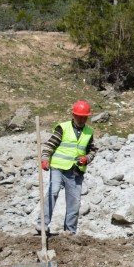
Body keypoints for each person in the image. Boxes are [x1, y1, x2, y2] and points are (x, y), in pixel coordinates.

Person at [39, 100, 96, 234]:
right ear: (73, 115)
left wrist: (86, 158)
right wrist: (45, 158)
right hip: (58, 167)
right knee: (53, 193)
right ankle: (42, 224)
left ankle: (69, 231)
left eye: (84, 117)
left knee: (74, 201)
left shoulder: (89, 132)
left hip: (76, 171)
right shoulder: (63, 128)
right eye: (79, 117)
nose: (81, 120)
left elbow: (93, 150)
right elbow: (50, 145)